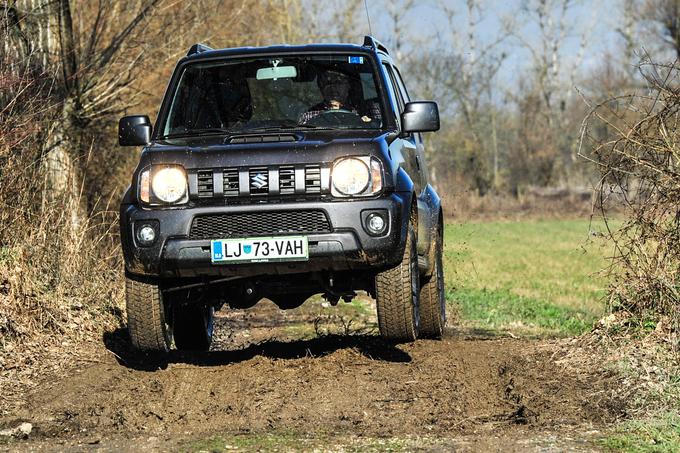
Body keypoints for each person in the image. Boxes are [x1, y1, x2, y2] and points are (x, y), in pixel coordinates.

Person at [298, 69, 379, 124]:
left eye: (338, 82)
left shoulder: (368, 110)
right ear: (321, 87)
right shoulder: (309, 116)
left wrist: (369, 125)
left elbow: (382, 132)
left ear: (348, 85)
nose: (332, 87)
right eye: (327, 83)